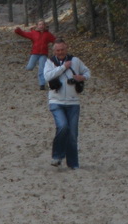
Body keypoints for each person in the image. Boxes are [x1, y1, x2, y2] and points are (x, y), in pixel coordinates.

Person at [43, 39, 90, 170]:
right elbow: (47, 77)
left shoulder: (76, 61)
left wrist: (82, 77)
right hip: (56, 101)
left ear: (66, 48)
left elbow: (87, 72)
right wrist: (63, 67)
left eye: (62, 49)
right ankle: (57, 156)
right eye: (57, 50)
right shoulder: (50, 62)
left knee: (73, 134)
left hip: (73, 102)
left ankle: (73, 163)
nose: (60, 52)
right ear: (54, 51)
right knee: (63, 126)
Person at [15, 20, 56, 90]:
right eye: (40, 24)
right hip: (35, 53)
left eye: (42, 24)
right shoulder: (33, 33)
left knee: (41, 69)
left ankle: (42, 84)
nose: (41, 26)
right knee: (29, 67)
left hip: (43, 54)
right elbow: (24, 34)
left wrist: (60, 43)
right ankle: (30, 65)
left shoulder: (48, 34)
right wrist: (18, 30)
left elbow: (54, 40)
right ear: (37, 26)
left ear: (45, 26)